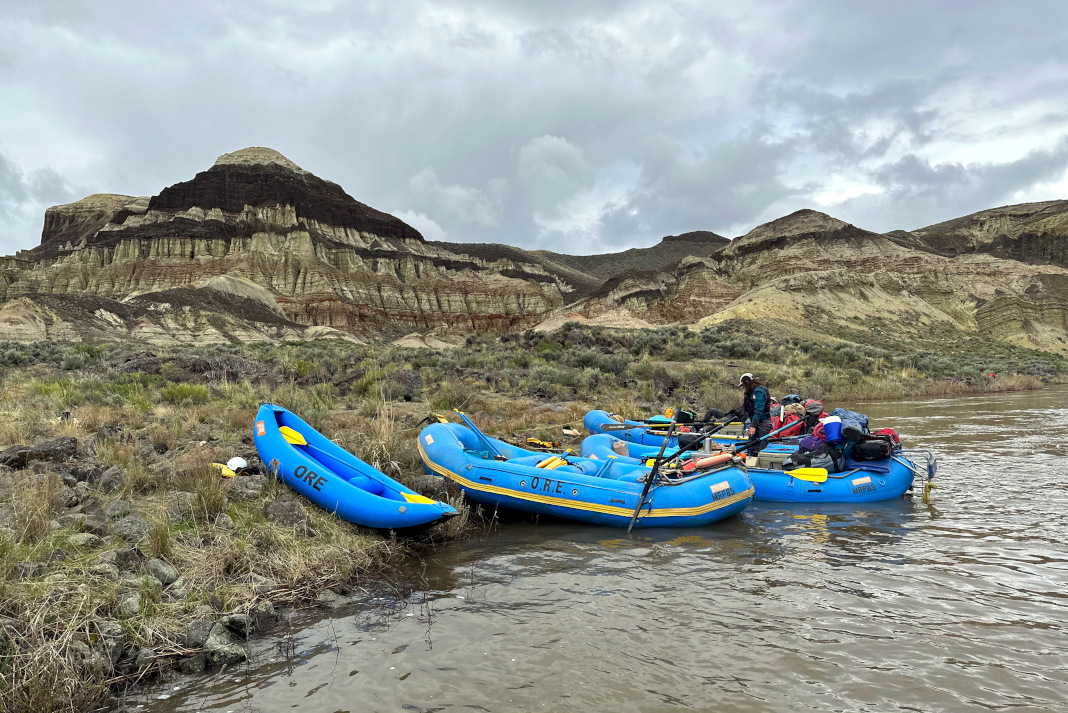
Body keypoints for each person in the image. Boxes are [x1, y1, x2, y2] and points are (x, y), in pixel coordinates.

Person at [737, 373, 772, 455]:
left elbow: (759, 410)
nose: (744, 388)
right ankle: (750, 459)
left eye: (744, 385)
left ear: (747, 383)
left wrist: (753, 426)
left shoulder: (758, 392)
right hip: (755, 422)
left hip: (762, 423)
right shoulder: (751, 392)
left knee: (760, 447)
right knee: (751, 445)